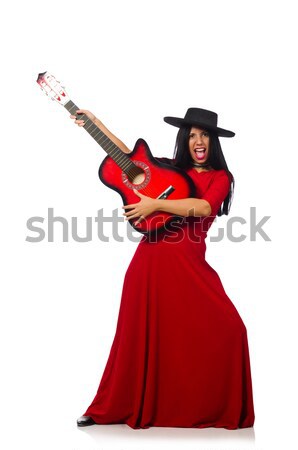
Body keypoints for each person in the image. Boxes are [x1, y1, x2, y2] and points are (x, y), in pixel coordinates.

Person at [70, 107, 255, 429]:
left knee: (231, 330)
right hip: (149, 261)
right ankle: (111, 406)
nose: (198, 140)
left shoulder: (220, 177)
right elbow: (127, 159)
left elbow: (203, 207)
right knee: (135, 336)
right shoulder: (170, 170)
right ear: (185, 140)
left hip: (189, 263)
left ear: (213, 142)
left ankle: (207, 405)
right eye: (192, 135)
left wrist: (156, 204)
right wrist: (96, 124)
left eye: (205, 135)